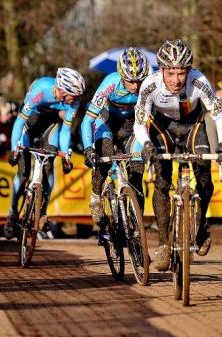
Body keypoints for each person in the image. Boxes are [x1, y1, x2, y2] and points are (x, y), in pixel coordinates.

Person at [133, 39, 222, 271]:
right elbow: (139, 123)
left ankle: (201, 225)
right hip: (162, 128)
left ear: (189, 70)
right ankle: (164, 244)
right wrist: (146, 144)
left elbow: (219, 116)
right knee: (162, 182)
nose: (176, 80)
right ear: (161, 70)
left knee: (205, 176)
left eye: (181, 73)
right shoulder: (150, 85)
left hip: (192, 127)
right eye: (170, 73)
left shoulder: (199, 81)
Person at [4, 67, 85, 239]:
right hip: (30, 122)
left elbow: (65, 130)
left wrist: (65, 155)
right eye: (74, 95)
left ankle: (42, 213)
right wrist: (14, 150)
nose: (76, 100)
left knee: (49, 163)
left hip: (50, 123)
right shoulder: (41, 90)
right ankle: (12, 212)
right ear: (62, 89)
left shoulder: (74, 101)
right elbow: (19, 123)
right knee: (23, 172)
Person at [80, 47, 149, 243]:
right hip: (107, 123)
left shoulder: (150, 82)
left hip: (132, 127)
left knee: (137, 174)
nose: (135, 86)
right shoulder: (109, 84)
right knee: (105, 156)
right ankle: (96, 196)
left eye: (139, 80)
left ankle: (136, 230)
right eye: (130, 81)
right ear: (121, 75)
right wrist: (88, 149)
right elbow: (87, 120)